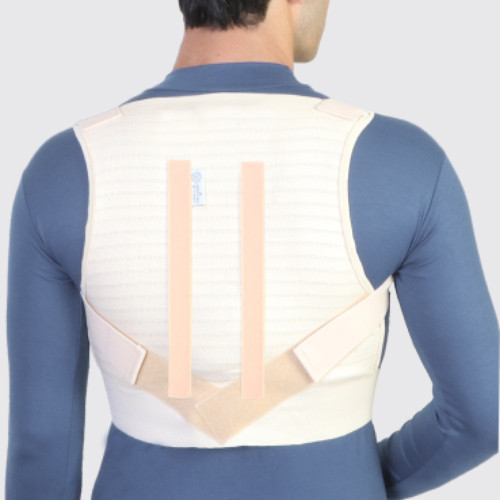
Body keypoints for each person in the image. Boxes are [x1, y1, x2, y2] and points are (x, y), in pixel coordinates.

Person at [5, 0, 498, 499]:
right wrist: (364, 480)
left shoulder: (65, 170)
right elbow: (481, 416)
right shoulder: (403, 163)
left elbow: (43, 447)